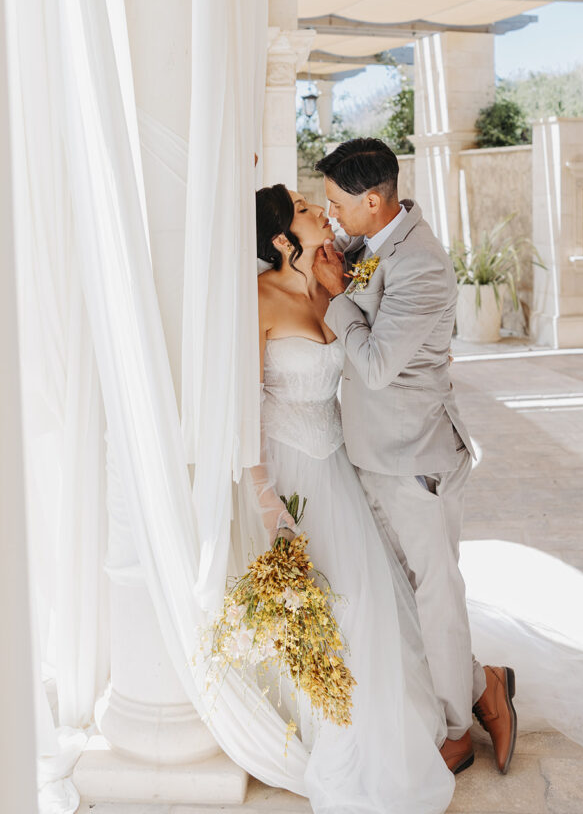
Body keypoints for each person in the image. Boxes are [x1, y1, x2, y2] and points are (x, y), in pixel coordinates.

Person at [242, 183, 456, 814]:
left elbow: (385, 263)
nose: (324, 215)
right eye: (309, 211)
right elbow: (244, 405)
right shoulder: (257, 300)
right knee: (332, 606)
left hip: (344, 462)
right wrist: (264, 498)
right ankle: (331, 730)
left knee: (371, 602)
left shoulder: (344, 274)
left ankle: (391, 724)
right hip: (292, 473)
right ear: (282, 239)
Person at [311, 138, 516, 776]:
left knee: (436, 596)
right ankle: (482, 682)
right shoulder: (371, 243)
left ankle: (458, 727)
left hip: (417, 458)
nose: (331, 215)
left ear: (374, 201)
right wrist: (335, 269)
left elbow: (372, 365)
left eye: (337, 204)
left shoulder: (422, 262)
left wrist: (332, 300)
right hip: (372, 452)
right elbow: (359, 289)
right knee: (403, 592)